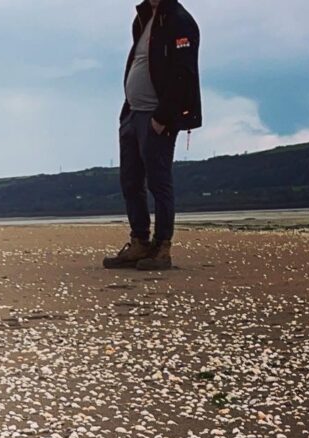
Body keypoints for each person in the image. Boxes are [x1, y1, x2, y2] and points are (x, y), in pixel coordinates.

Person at [105, 0, 201, 271]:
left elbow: (184, 73)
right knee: (130, 182)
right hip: (133, 115)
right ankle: (139, 242)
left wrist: (164, 116)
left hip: (156, 118)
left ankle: (162, 248)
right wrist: (127, 113)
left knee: (159, 183)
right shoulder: (144, 18)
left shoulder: (180, 21)